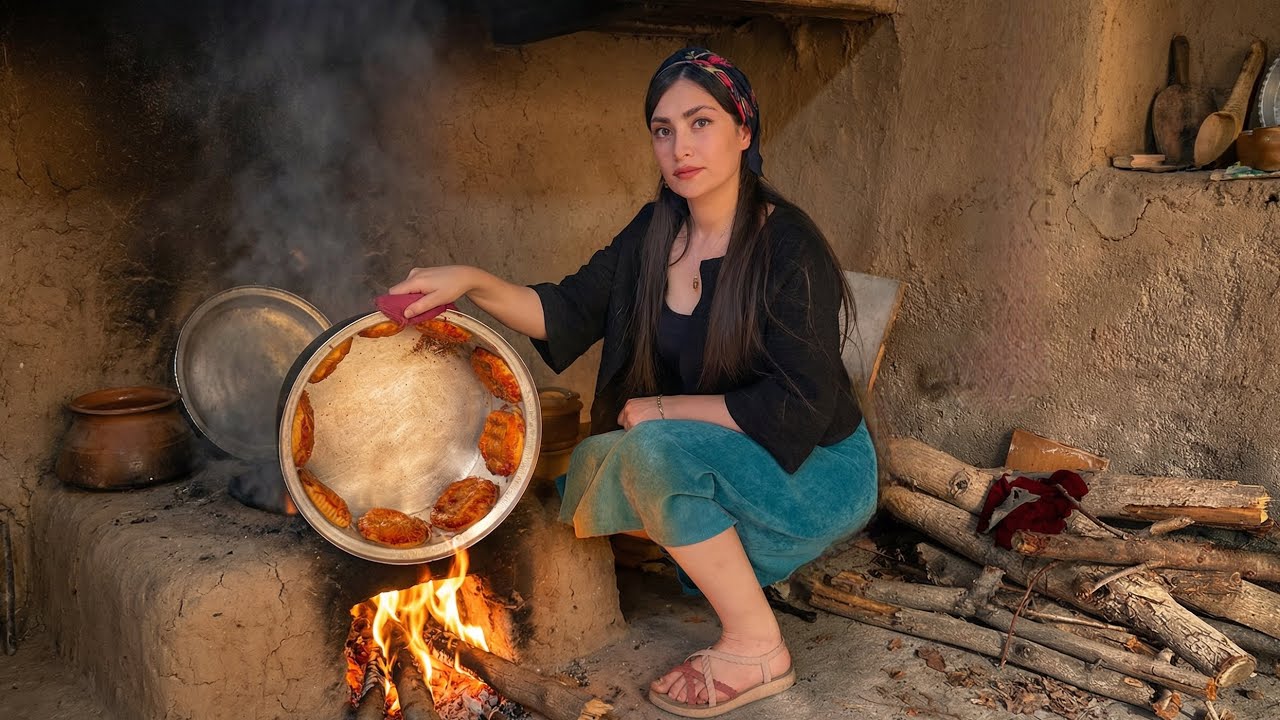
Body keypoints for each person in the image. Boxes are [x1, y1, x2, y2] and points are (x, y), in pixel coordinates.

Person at [391, 47, 878, 717]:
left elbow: (799, 406)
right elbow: (562, 310)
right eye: (663, 130)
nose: (681, 147)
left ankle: (758, 646)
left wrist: (664, 409)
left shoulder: (788, 246)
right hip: (729, 450)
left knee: (647, 453)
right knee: (605, 461)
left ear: (744, 129)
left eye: (701, 122)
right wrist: (471, 281)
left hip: (819, 468)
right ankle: (722, 557)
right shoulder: (656, 231)